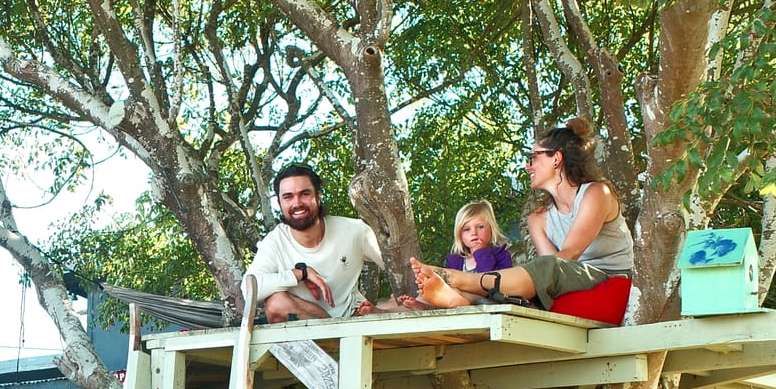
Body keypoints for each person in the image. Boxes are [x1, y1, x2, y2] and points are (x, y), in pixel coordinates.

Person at [406, 117, 633, 310]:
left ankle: (458, 280)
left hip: (610, 279)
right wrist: (519, 281)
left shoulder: (596, 193)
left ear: (556, 158)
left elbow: (566, 257)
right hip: (569, 280)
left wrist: (510, 278)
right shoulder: (537, 219)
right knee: (530, 279)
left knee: (542, 268)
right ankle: (462, 299)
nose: (528, 166)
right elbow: (550, 279)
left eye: (534, 157)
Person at [247, 162, 385, 321]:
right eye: (288, 197)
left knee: (404, 302)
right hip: (307, 328)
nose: (297, 203)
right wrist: (301, 273)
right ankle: (332, 330)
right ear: (280, 203)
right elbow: (249, 289)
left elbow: (398, 267)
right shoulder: (275, 241)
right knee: (275, 303)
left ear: (318, 197)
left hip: (353, 318)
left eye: (304, 194)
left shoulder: (355, 230)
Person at [443, 199, 513, 274]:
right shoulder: (453, 261)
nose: (474, 233)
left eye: (480, 227)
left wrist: (481, 252)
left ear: (491, 229)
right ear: (459, 235)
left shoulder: (502, 256)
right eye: (467, 229)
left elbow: (491, 279)